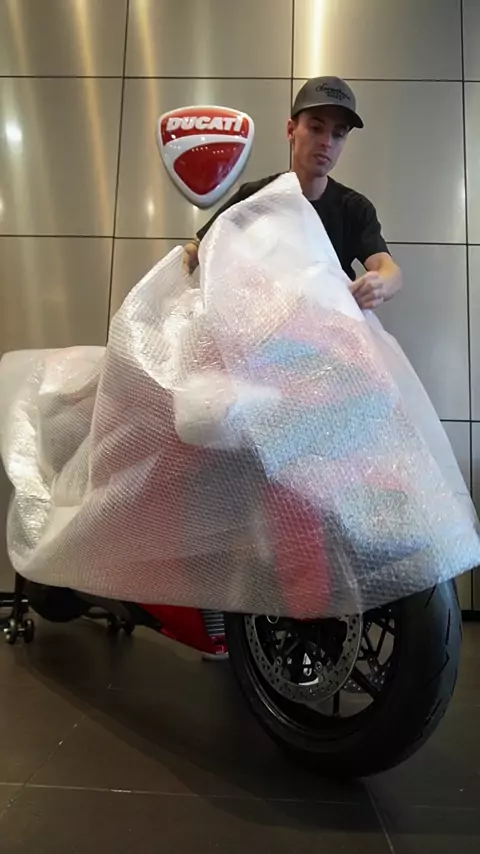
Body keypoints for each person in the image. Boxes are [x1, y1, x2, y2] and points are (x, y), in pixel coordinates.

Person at [183, 75, 402, 310]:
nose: (327, 142)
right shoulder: (256, 197)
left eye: (338, 134)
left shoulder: (354, 209)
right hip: (263, 326)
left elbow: (389, 270)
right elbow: (196, 249)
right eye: (316, 128)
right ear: (291, 130)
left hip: (331, 327)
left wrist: (380, 285)